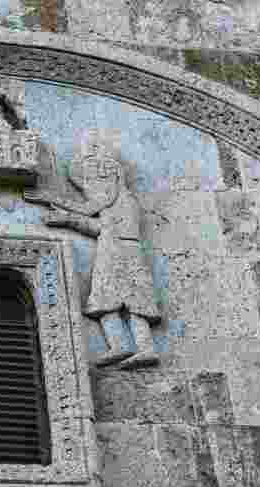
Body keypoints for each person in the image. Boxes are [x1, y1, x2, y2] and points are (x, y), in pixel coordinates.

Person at [24, 131, 161, 369]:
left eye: (96, 179)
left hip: (123, 251)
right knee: (105, 299)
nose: (92, 186)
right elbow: (101, 227)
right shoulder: (122, 203)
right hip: (113, 248)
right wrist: (66, 219)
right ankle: (120, 345)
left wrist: (53, 202)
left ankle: (145, 347)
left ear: (114, 177)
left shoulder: (123, 202)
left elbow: (91, 212)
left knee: (133, 300)